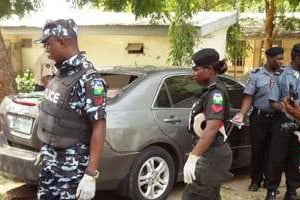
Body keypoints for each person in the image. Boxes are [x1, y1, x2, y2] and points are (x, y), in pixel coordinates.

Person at [35, 19, 107, 200]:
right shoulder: (61, 74)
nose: (46, 48)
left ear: (61, 40)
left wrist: (91, 175)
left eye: (48, 43)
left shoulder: (89, 80)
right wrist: (46, 150)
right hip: (50, 165)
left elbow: (99, 126)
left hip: (72, 172)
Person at [182, 48, 233, 200]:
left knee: (195, 196)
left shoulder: (216, 94)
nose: (193, 74)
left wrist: (193, 157)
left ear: (209, 69)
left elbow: (212, 127)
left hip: (212, 156)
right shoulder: (209, 91)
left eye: (196, 70)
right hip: (209, 154)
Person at [232, 47, 284, 192]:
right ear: (268, 58)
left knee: (273, 151)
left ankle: (270, 182)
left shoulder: (283, 75)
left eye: (282, 58)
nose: (281, 62)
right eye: (278, 59)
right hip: (259, 118)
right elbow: (248, 97)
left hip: (278, 118)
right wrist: (242, 114)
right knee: (258, 150)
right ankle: (255, 180)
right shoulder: (256, 76)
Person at [267, 43, 300, 200]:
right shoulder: (281, 75)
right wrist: (284, 107)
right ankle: (272, 190)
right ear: (296, 58)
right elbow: (272, 101)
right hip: (283, 121)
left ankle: (292, 191)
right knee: (277, 157)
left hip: (299, 122)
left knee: (295, 158)